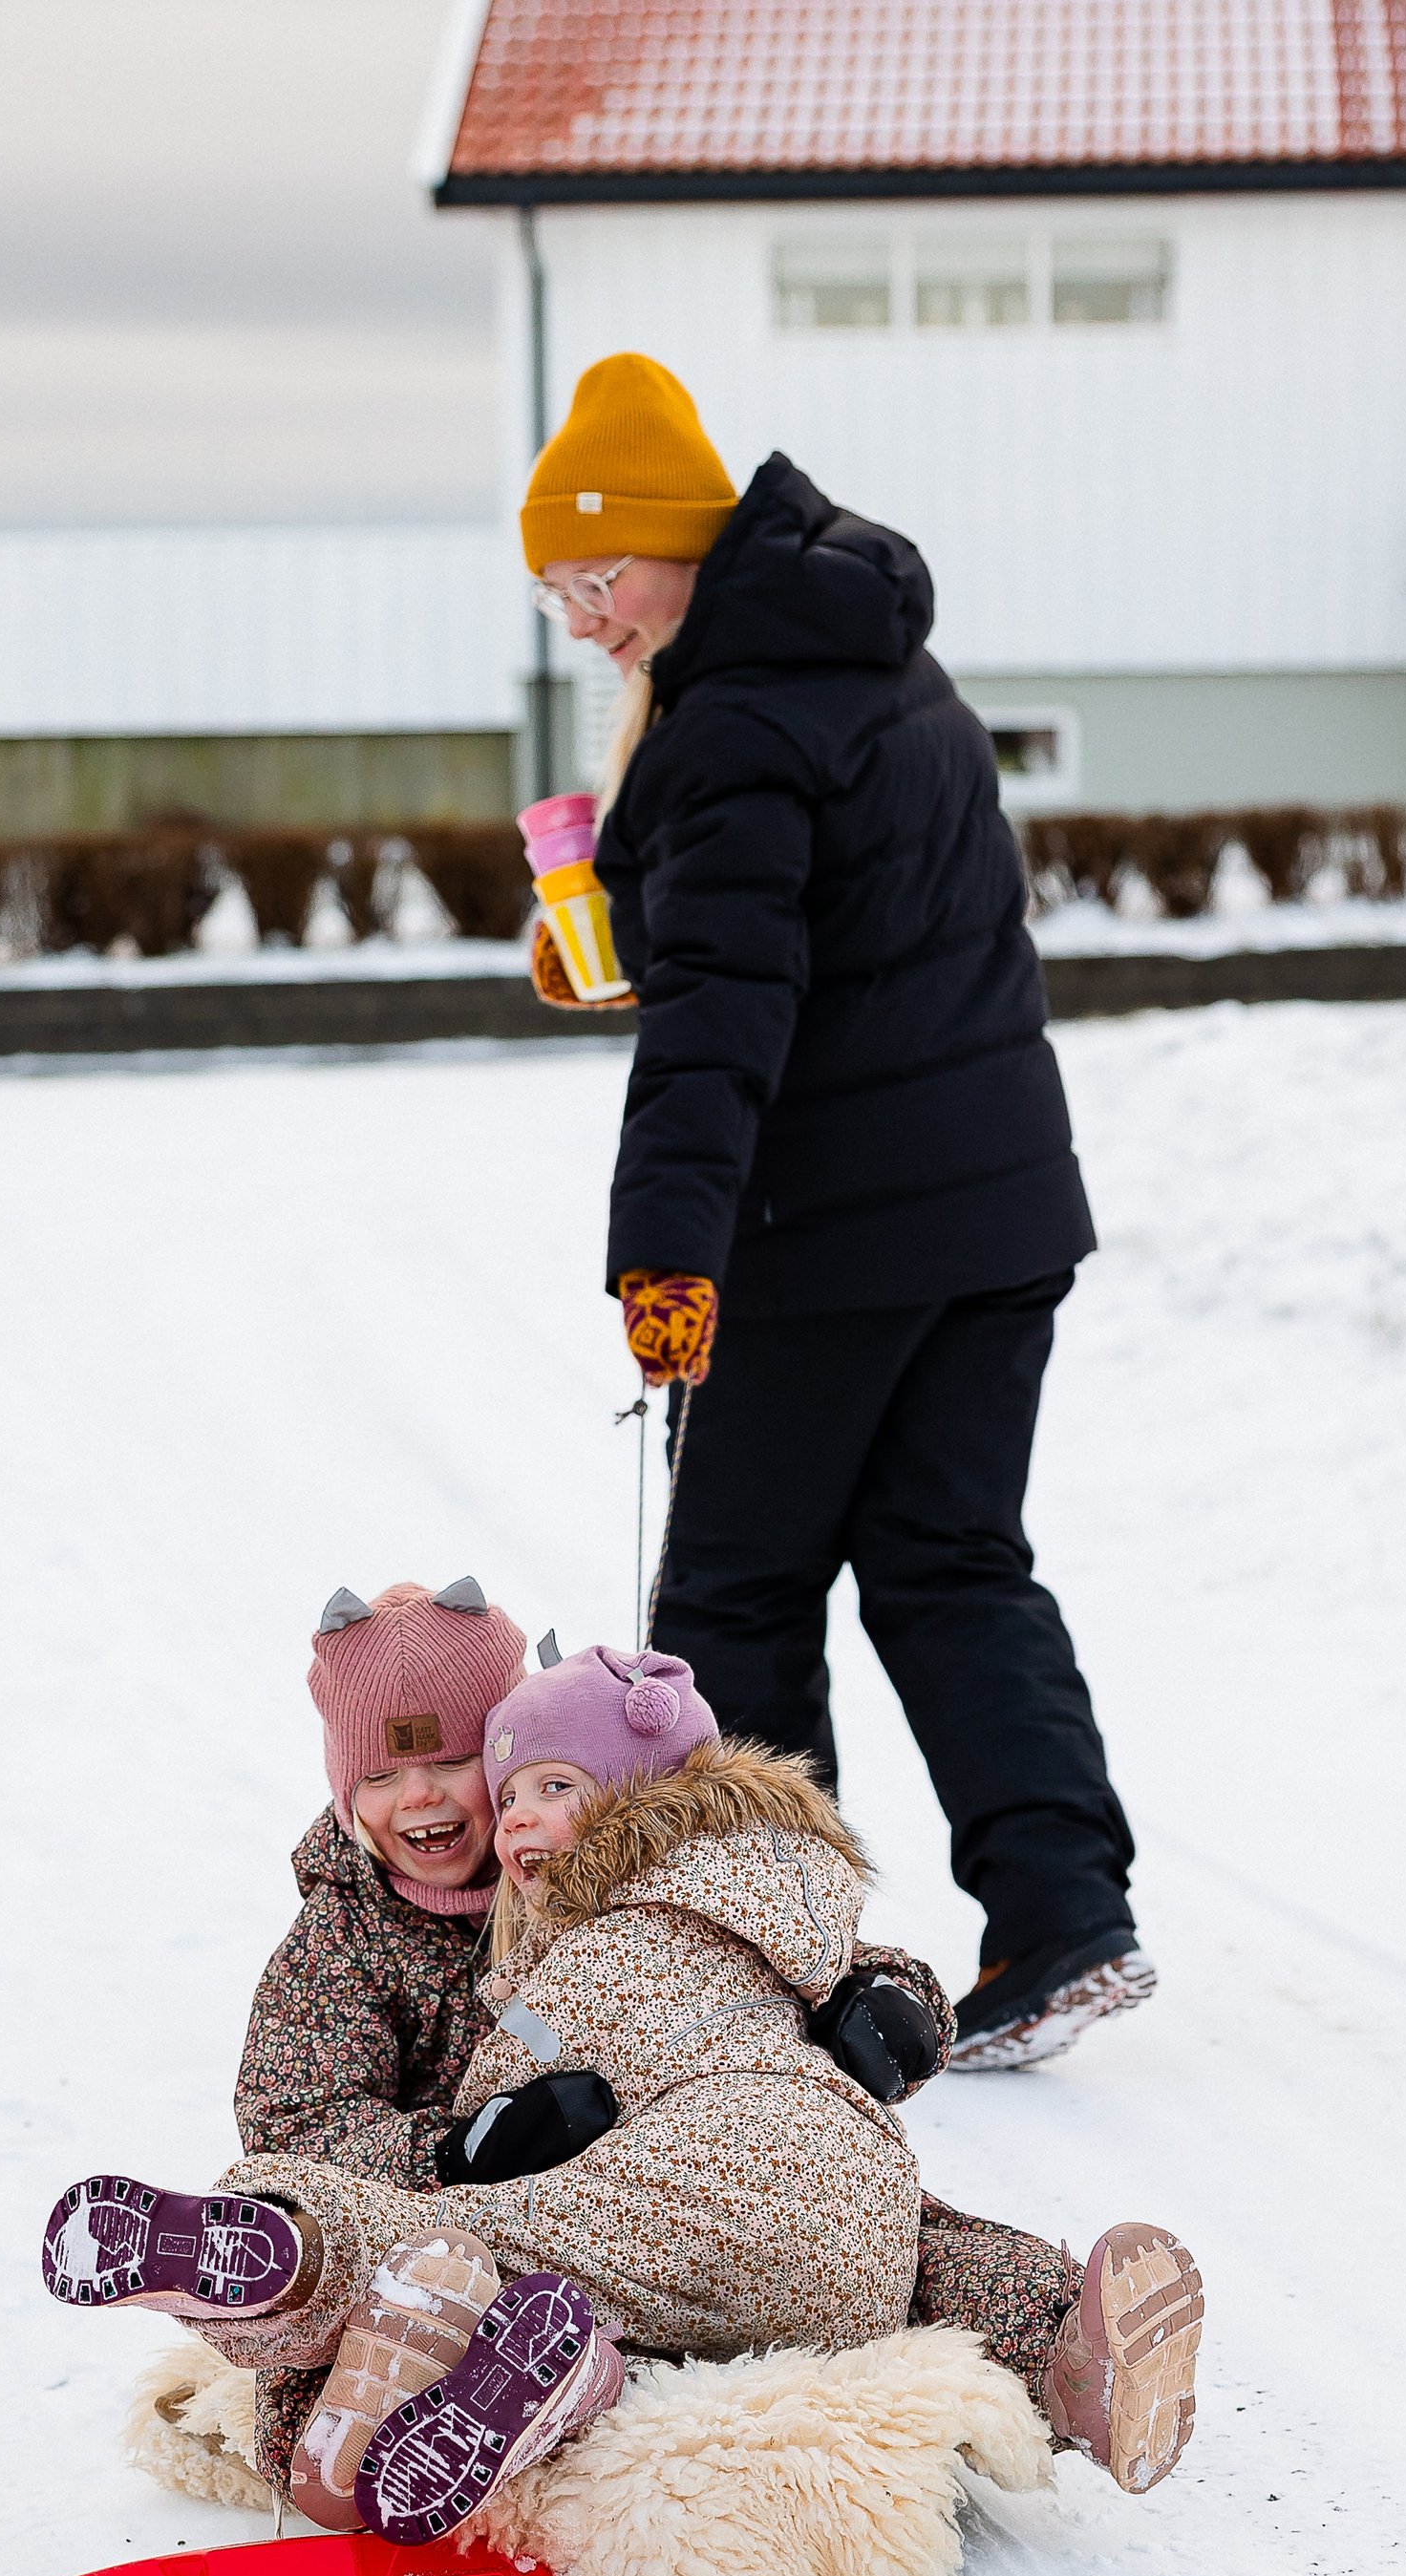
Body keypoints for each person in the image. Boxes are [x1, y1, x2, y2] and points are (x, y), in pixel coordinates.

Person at [523, 352, 1151, 2074]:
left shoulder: (731, 720)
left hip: (844, 1222)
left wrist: (666, 1247)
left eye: (599, 578)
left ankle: (769, 1964)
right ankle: (1061, 1920)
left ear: (673, 545)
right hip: (998, 1202)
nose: (586, 620)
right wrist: (633, 942)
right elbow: (823, 946)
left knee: (733, 1585)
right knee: (953, 1561)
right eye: (560, 594)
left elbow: (732, 1016)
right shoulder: (865, 656)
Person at [45, 1586, 1201, 2514]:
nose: (424, 1802)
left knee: (907, 2238)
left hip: (683, 2146)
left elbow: (773, 1929)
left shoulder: (586, 1852)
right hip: (483, 2208)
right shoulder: (340, 1941)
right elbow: (300, 2117)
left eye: (449, 1765)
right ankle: (362, 2341)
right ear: (344, 1792)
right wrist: (454, 2150)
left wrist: (884, 2002)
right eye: (381, 1777)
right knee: (382, 2287)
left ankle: (1071, 2357)